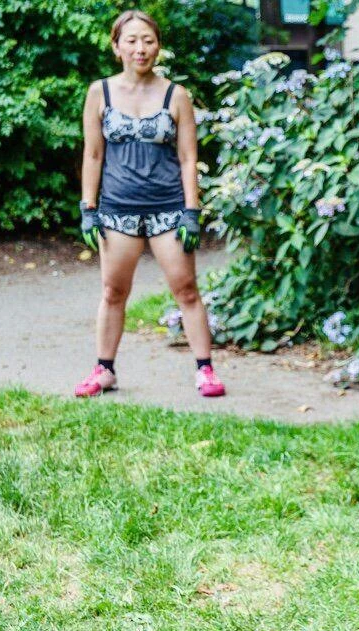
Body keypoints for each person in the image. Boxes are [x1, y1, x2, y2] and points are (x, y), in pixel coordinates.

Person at [75, 9, 225, 399]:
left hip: (168, 209)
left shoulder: (177, 95)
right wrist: (88, 209)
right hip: (117, 209)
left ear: (158, 46)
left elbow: (188, 158)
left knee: (187, 289)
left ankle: (205, 370)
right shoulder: (99, 92)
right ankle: (104, 370)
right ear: (116, 47)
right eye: (132, 40)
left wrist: (192, 212)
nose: (141, 48)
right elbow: (93, 154)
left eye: (148, 40)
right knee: (113, 292)